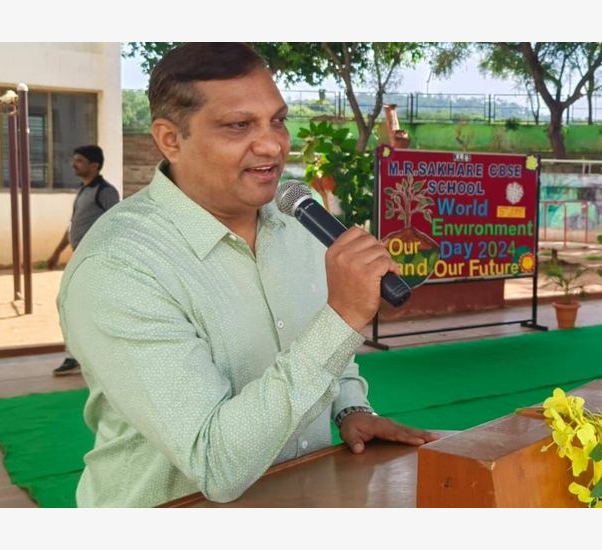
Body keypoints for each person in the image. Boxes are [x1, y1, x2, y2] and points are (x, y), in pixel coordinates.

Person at [57, 43, 437, 508]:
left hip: (308, 494)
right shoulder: (119, 268)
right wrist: (343, 316)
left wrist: (349, 407)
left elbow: (319, 346)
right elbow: (216, 464)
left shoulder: (298, 224)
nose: (273, 144)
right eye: (239, 125)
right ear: (170, 139)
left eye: (277, 120)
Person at [48, 145, 119, 376]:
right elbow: (73, 225)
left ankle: (80, 356)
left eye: (79, 160)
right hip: (79, 258)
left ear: (94, 165)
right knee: (69, 303)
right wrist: (57, 252)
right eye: (74, 159)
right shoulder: (83, 191)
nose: (73, 164)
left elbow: (116, 225)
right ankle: (79, 355)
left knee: (73, 303)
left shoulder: (106, 192)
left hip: (97, 261)